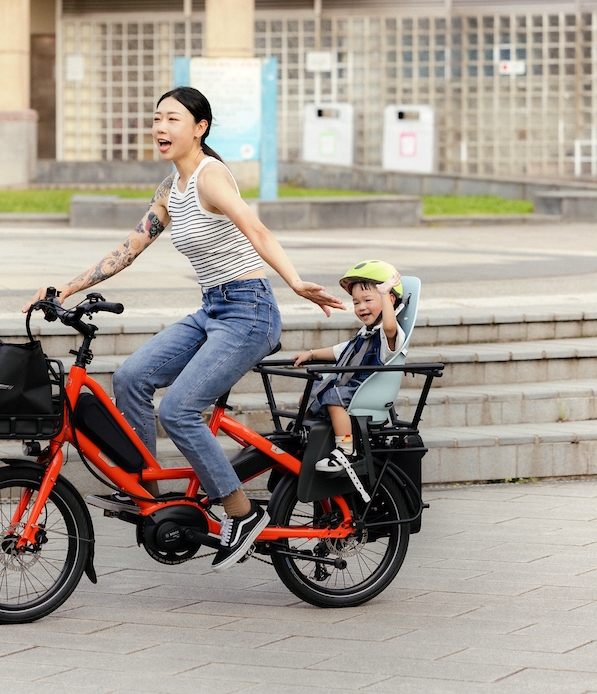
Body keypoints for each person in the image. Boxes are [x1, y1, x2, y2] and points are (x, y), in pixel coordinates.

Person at [25, 86, 344, 571]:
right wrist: (64, 290)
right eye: (156, 119)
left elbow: (256, 230)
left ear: (200, 128)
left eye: (173, 119)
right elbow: (129, 248)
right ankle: (150, 496)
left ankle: (241, 512)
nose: (160, 128)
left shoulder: (212, 179)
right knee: (131, 377)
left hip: (250, 310)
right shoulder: (169, 191)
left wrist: (296, 282)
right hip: (213, 309)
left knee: (178, 410)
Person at [291, 260, 405, 472]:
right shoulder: (365, 333)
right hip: (349, 385)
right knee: (308, 396)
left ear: (389, 299)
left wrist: (383, 293)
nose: (361, 307)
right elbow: (341, 350)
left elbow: (389, 327)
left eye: (368, 300)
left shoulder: (389, 334)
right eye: (356, 302)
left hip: (366, 390)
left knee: (334, 398)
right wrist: (313, 354)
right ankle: (303, 437)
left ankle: (346, 451)